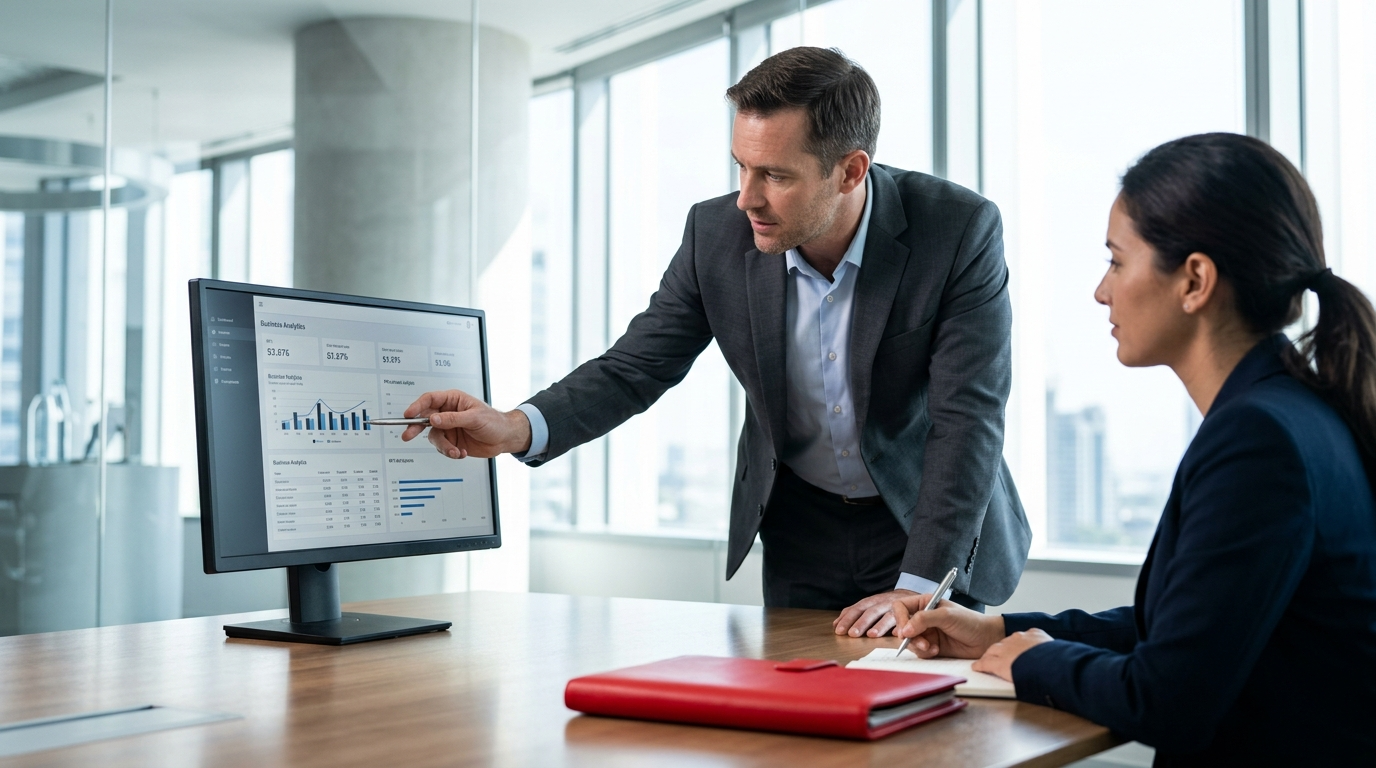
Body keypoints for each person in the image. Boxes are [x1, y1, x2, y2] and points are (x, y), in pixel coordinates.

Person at [401, 47, 1031, 628]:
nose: (746, 199)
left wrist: (922, 585)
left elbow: (966, 418)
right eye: (741, 167)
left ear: (849, 171)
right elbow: (636, 366)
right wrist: (514, 427)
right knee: (795, 731)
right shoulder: (715, 236)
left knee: (928, 725)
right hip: (799, 526)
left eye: (776, 176)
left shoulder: (956, 229)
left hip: (924, 519)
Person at [891, 133, 1376, 765]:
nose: (1101, 291)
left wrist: (1036, 662)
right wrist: (999, 631)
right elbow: (1184, 631)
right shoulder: (1293, 412)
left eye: (1117, 262)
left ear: (1195, 281)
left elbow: (1166, 693)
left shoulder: (1261, 440)